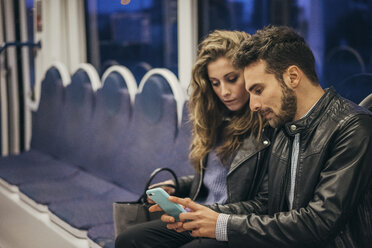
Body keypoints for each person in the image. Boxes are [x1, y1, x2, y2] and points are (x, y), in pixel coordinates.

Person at [158, 25, 372, 247]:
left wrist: (223, 225)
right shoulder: (285, 127)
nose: (253, 105)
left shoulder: (353, 127)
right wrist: (206, 214)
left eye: (258, 90)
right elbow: (266, 206)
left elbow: (319, 222)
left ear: (292, 77)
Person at [115, 30, 272, 248]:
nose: (224, 91)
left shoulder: (267, 124)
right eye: (215, 83)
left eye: (232, 79)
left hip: (231, 225)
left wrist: (209, 213)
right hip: (199, 214)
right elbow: (216, 180)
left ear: (249, 72)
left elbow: (266, 203)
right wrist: (177, 186)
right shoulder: (217, 120)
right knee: (128, 239)